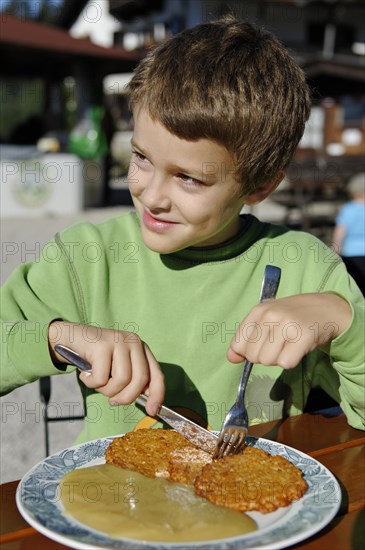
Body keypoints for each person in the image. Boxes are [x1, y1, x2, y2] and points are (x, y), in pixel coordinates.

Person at [1, 17, 364, 444]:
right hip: (112, 501)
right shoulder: (85, 257)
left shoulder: (306, 269)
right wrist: (55, 336)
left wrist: (346, 326)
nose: (152, 195)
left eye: (189, 178)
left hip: (253, 505)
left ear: (260, 185)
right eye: (141, 158)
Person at [333, 173, 365, 295]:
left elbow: (340, 231)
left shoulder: (348, 209)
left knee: (356, 285)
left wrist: (335, 249)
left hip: (351, 253)